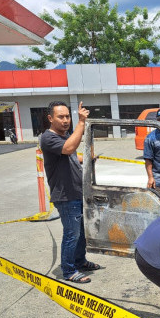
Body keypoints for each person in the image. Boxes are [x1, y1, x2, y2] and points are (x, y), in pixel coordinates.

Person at [41, 100, 101, 284]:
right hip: (65, 196)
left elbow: (74, 155)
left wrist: (89, 158)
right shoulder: (48, 137)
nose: (66, 120)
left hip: (77, 193)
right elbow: (68, 149)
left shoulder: (64, 136)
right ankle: (68, 270)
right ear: (50, 118)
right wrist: (81, 123)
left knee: (81, 233)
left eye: (68, 116)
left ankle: (79, 261)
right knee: (71, 234)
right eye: (61, 117)